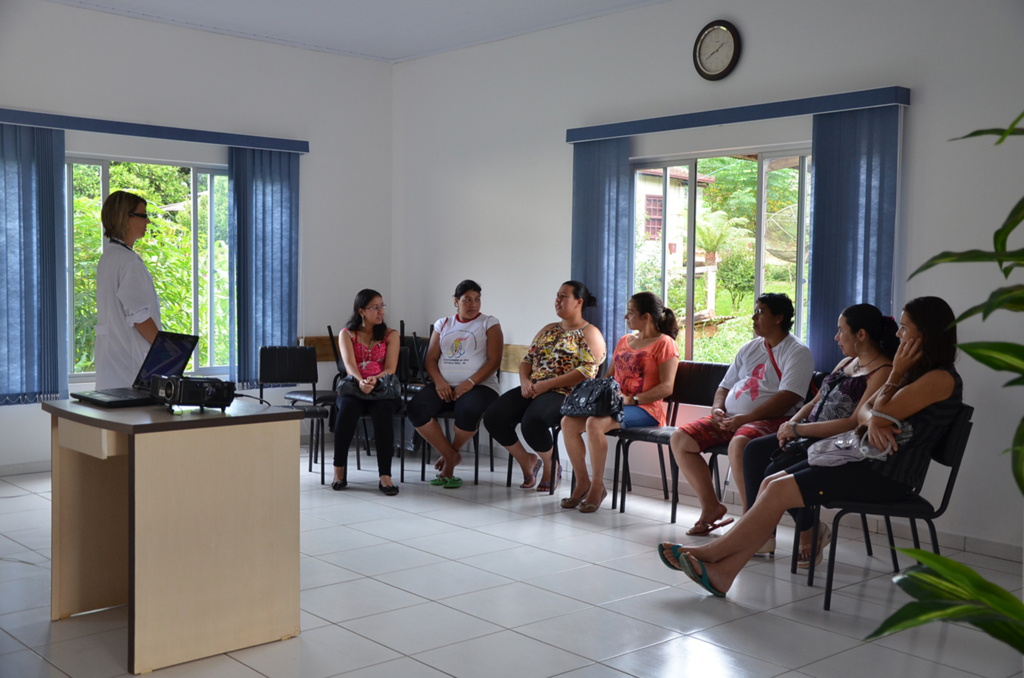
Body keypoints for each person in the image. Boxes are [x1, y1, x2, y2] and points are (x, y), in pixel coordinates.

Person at [659, 296, 963, 597]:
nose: (898, 334)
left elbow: (878, 413)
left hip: (887, 476)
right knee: (771, 481)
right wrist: (874, 418)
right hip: (863, 460)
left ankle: (711, 554)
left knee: (776, 488)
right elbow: (867, 414)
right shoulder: (911, 374)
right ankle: (722, 573)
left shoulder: (938, 378)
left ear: (926, 333)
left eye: (905, 328)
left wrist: (889, 387)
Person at [742, 303, 898, 562]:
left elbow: (852, 422)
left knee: (773, 472)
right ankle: (763, 531)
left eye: (841, 331)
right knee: (753, 451)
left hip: (832, 442)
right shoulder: (847, 362)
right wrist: (788, 426)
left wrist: (798, 429)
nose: (836, 337)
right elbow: (814, 403)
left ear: (861, 335)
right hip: (806, 433)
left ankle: (808, 530)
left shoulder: (882, 372)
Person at [670, 293, 814, 536]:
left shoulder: (797, 352)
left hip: (772, 420)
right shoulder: (750, 347)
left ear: (779, 318)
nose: (753, 317)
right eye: (755, 311)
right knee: (680, 439)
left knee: (740, 445)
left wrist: (744, 420)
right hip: (732, 417)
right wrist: (717, 408)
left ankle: (752, 520)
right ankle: (711, 507)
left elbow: (787, 399)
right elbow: (724, 386)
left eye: (760, 312)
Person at [560, 292, 679, 512]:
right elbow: (608, 378)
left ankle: (597, 487)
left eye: (631, 312)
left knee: (595, 424)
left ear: (646, 317)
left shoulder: (665, 344)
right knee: (568, 422)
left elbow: (666, 387)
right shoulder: (625, 341)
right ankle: (582, 481)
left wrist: (632, 399)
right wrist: (589, 399)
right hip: (613, 405)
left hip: (645, 409)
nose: (626, 316)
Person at [484, 281, 606, 491]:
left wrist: (547, 384)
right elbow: (527, 360)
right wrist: (525, 381)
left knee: (534, 421)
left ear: (579, 302)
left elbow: (587, 372)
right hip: (535, 388)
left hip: (566, 392)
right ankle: (527, 460)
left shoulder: (590, 333)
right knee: (494, 416)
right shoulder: (548, 329)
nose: (557, 300)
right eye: (557, 295)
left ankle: (551, 465)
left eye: (564, 296)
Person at [407, 280, 504, 488]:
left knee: (468, 412)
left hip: (480, 386)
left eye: (477, 300)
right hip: (443, 385)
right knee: (416, 409)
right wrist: (439, 382)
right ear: (456, 301)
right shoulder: (443, 323)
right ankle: (451, 456)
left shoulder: (490, 323)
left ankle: (450, 456)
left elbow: (494, 361)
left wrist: (470, 382)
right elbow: (430, 360)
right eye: (467, 300)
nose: (473, 304)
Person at [332, 289, 401, 495]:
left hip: (381, 388)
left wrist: (374, 379)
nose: (381, 312)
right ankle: (339, 471)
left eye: (382, 306)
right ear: (361, 311)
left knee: (383, 414)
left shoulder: (391, 335)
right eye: (375, 307)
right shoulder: (347, 334)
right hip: (354, 386)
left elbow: (390, 369)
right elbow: (349, 365)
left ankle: (385, 476)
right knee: (346, 411)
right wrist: (361, 381)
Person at [94, 191, 162, 389]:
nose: (147, 221)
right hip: (130, 368)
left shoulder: (109, 257)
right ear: (126, 219)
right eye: (142, 215)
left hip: (112, 367)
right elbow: (140, 317)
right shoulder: (128, 261)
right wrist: (165, 351)